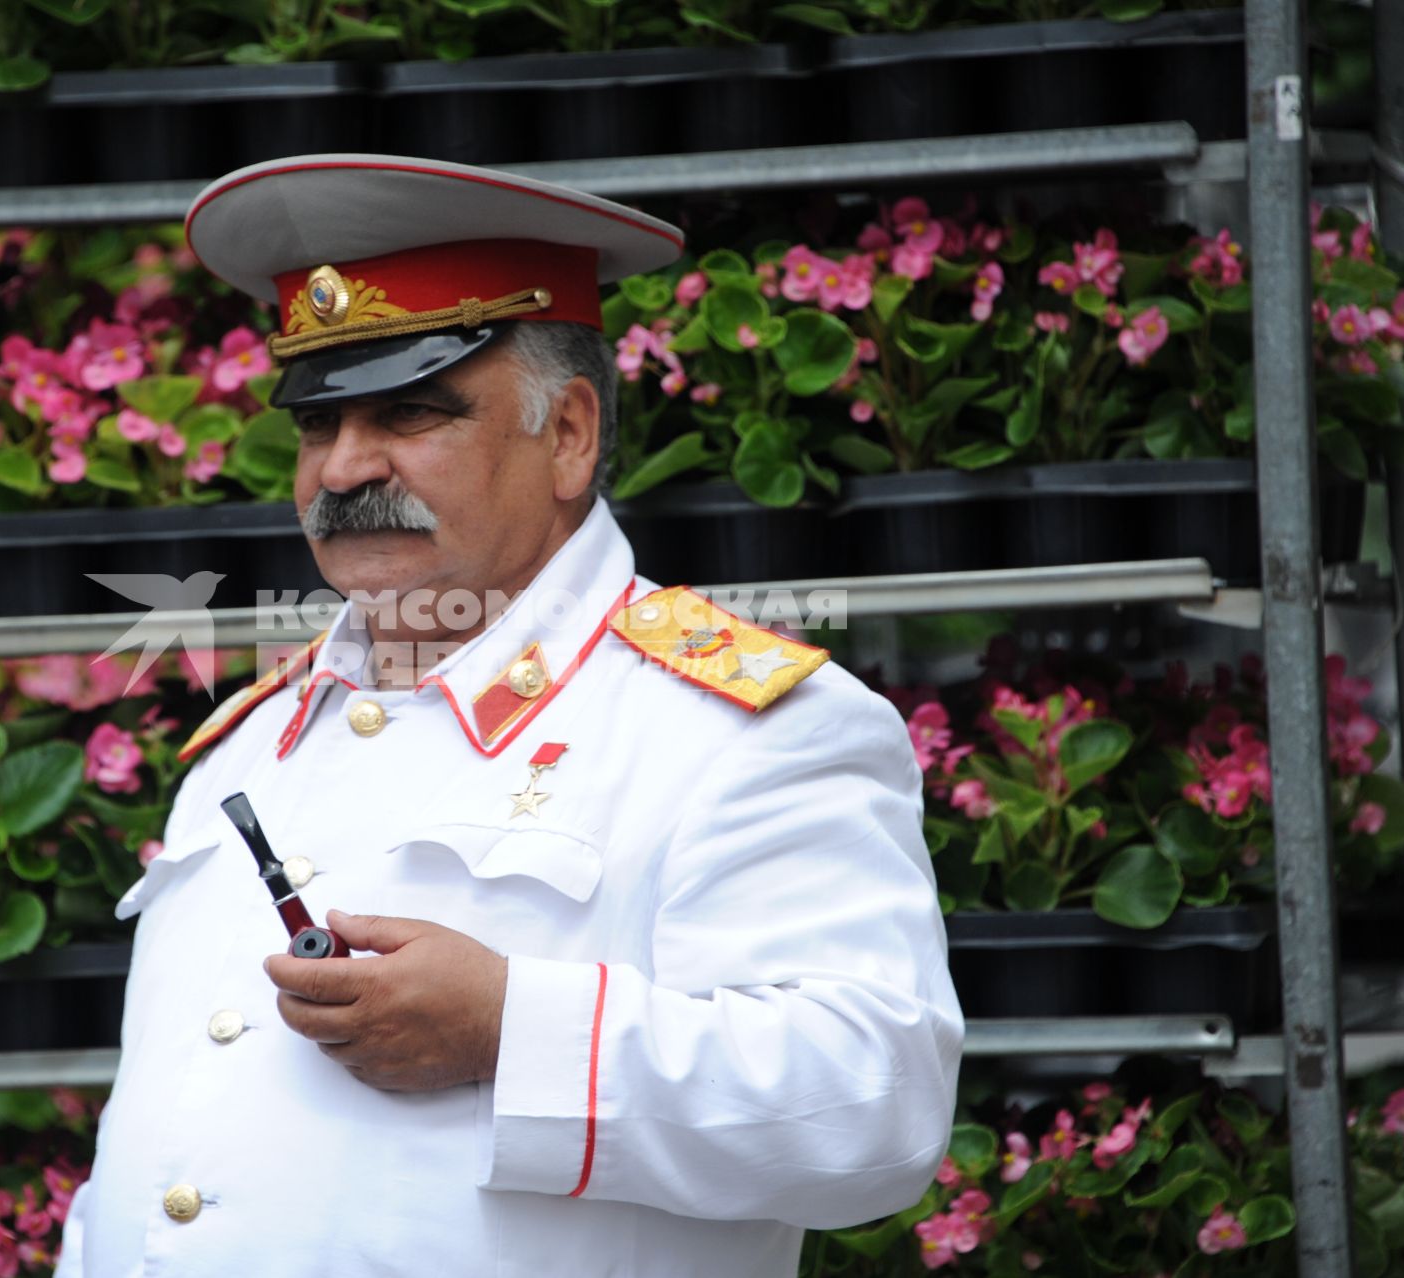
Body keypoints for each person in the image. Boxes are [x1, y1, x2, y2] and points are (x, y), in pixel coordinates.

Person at [56, 155, 962, 1277]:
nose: (344, 467)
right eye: (317, 421)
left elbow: (875, 1113)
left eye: (409, 411)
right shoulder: (253, 737)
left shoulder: (746, 728)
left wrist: (512, 1031)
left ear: (570, 434)